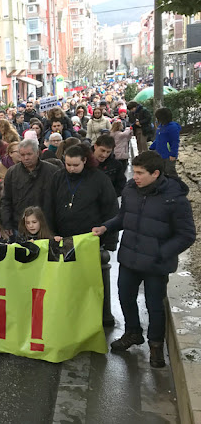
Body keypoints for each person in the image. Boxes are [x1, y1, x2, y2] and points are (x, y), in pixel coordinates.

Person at [92, 151, 196, 368]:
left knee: (154, 306)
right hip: (130, 258)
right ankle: (133, 333)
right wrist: (106, 226)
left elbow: (186, 235)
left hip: (156, 265)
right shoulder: (131, 190)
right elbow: (123, 218)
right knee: (125, 297)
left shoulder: (175, 199)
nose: (135, 176)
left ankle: (156, 346)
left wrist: (160, 252)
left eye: (140, 173)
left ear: (156, 173)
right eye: (135, 171)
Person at [44, 144, 119, 326]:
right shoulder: (58, 177)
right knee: (64, 282)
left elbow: (111, 209)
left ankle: (92, 316)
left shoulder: (99, 179)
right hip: (62, 239)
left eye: (75, 165)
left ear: (85, 161)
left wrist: (109, 241)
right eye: (68, 164)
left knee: (87, 282)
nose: (71, 168)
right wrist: (50, 234)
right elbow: (48, 206)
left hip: (89, 240)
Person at [1, 138, 59, 236]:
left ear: (37, 153)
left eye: (29, 154)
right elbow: (6, 200)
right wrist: (7, 224)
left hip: (46, 227)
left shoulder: (53, 171)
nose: (26, 158)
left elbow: (58, 201)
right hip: (19, 226)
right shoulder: (12, 172)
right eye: (22, 155)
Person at [150, 107, 180, 178]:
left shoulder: (172, 127)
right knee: (163, 172)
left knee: (170, 172)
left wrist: (173, 154)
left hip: (168, 154)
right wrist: (152, 147)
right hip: (160, 153)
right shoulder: (161, 126)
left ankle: (177, 186)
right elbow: (158, 138)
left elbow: (175, 142)